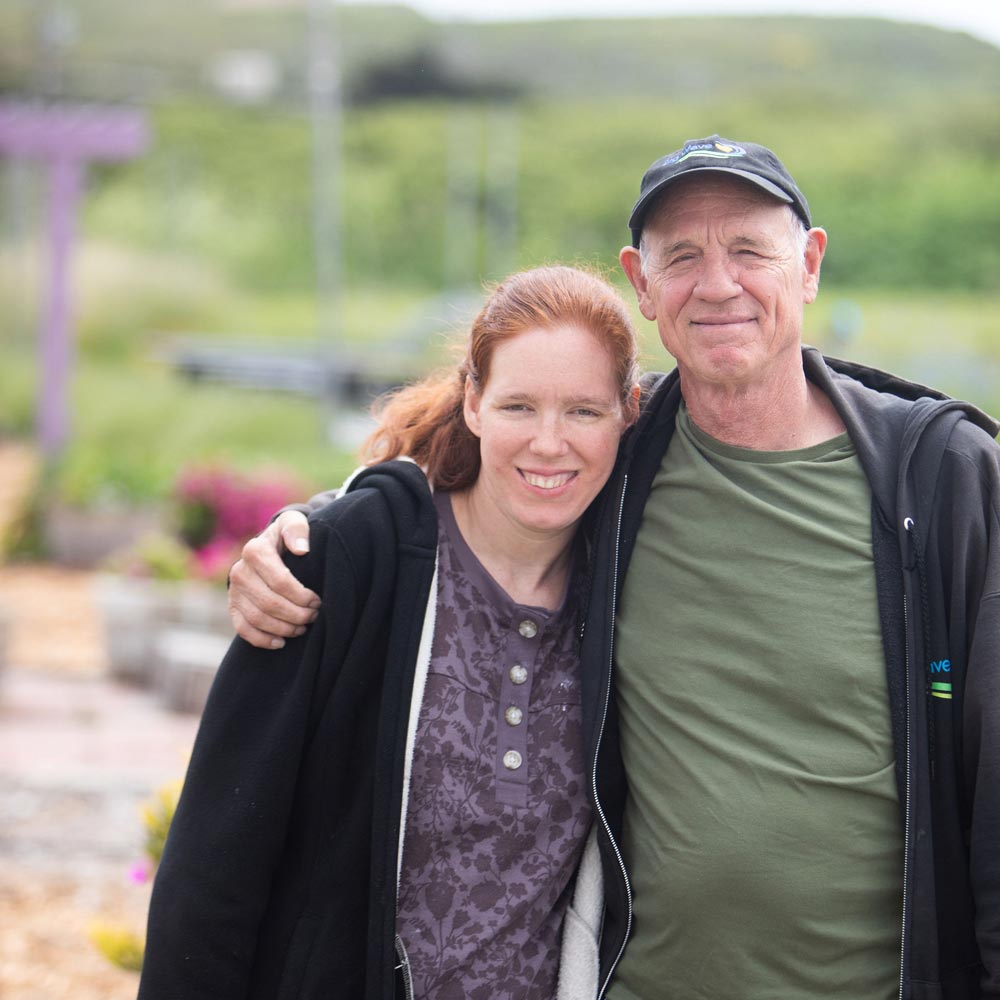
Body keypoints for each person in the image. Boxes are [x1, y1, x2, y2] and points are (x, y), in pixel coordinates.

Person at [228, 136, 1000, 999]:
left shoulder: (940, 481)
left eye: (749, 249)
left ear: (810, 263)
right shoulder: (620, 461)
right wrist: (312, 530)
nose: (717, 284)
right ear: (642, 282)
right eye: (683, 257)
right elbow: (489, 472)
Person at [137, 265, 642, 1000]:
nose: (548, 443)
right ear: (472, 401)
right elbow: (214, 865)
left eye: (584, 413)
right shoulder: (349, 560)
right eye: (518, 406)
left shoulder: (624, 589)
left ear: (628, 412)